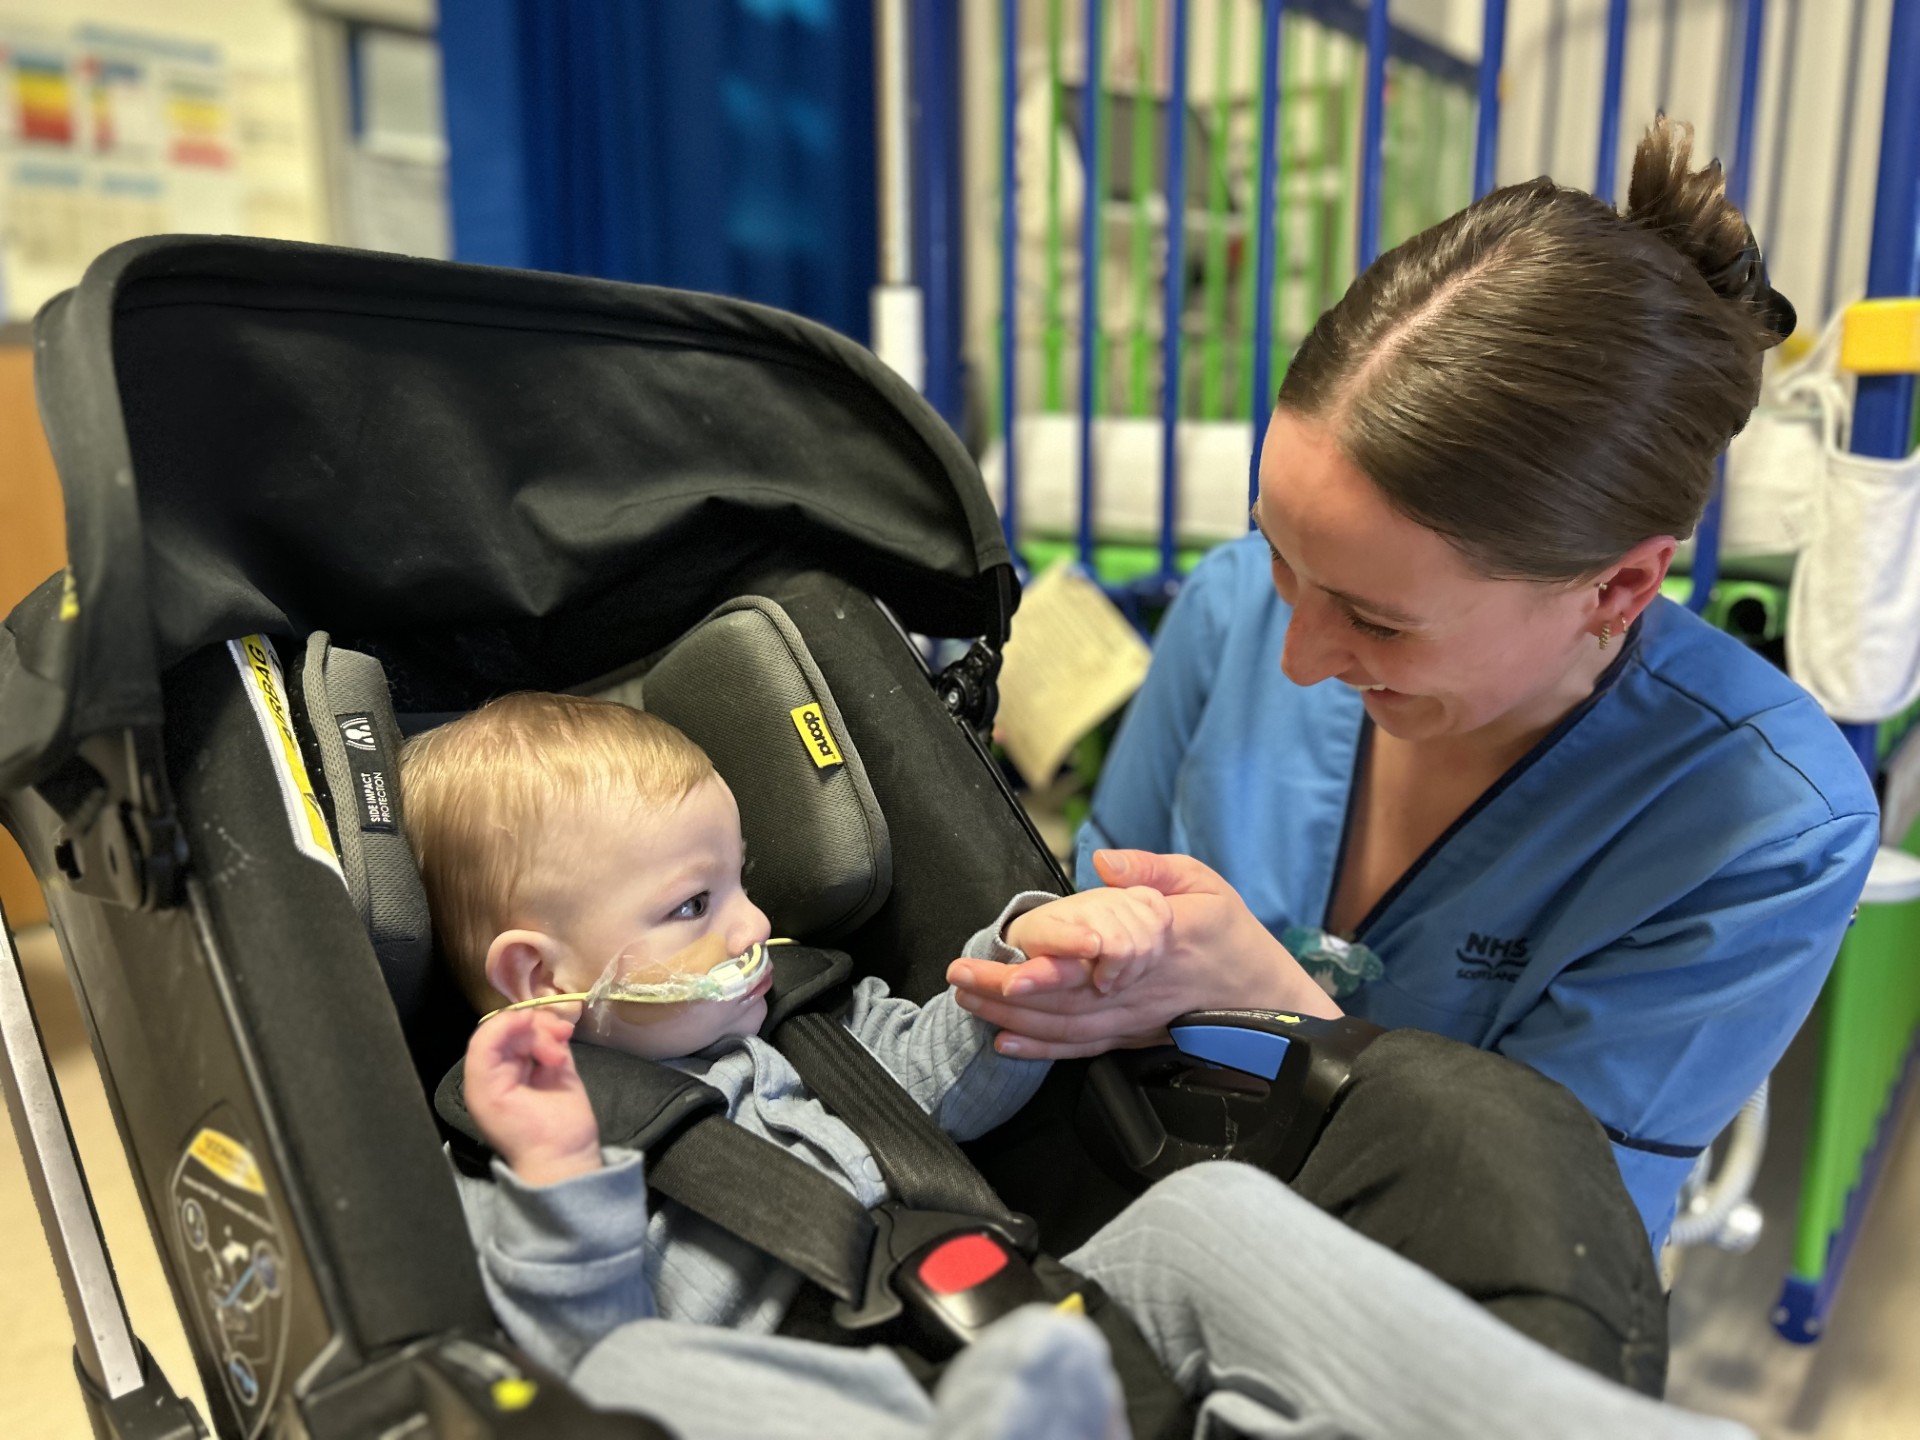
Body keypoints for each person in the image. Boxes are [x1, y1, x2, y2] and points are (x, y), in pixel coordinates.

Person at [947, 116, 1879, 1255]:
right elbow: (1083, 926)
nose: (1295, 659)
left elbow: (1547, 1238)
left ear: (1618, 586)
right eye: (1281, 556)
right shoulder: (1233, 607)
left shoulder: (1769, 829)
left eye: (1378, 622)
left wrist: (1284, 1019)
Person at [402, 691, 1749, 1440]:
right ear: (538, 972)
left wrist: (1027, 957)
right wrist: (563, 1177)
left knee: (1208, 1215)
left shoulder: (804, 1021)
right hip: (811, 1397)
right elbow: (572, 1356)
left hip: (1021, 1323)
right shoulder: (516, 1162)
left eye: (743, 878)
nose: (752, 923)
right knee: (642, 1375)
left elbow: (945, 1069)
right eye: (693, 907)